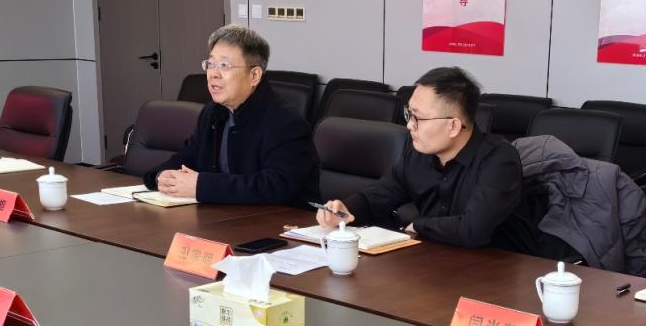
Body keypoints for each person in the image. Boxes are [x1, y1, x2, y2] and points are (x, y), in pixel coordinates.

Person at [315, 67, 526, 249]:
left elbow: (472, 229)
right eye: (409, 114)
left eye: (418, 118)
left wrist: (418, 225)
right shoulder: (419, 154)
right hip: (434, 261)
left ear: (453, 126)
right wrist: (345, 209)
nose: (409, 125)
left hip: (496, 269)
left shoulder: (499, 160)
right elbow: (379, 197)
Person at [143, 24, 319, 205]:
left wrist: (201, 186)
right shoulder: (212, 112)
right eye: (211, 64)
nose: (213, 74)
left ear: (254, 75)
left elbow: (275, 186)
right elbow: (189, 156)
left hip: (282, 219)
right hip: (225, 215)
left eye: (224, 65)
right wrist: (161, 176)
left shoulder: (286, 122)